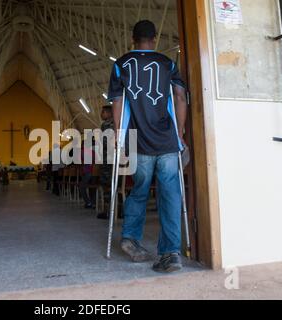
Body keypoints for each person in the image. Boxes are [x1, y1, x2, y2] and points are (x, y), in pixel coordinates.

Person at [108, 20, 188, 273]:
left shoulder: (120, 65)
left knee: (139, 190)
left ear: (133, 39)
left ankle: (130, 238)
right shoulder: (169, 64)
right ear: (154, 38)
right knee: (170, 195)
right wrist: (180, 132)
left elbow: (118, 104)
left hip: (140, 142)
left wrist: (121, 139)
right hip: (166, 141)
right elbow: (180, 97)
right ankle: (171, 253)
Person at [97, 105, 115, 220]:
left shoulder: (106, 125)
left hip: (107, 159)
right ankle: (119, 209)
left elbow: (104, 142)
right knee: (116, 184)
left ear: (108, 113)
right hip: (117, 159)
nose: (101, 114)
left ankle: (107, 211)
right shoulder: (118, 123)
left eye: (102, 112)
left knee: (106, 185)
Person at [79, 141, 96, 209]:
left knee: (81, 187)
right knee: (92, 187)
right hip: (95, 174)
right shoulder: (93, 152)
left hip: (87, 172)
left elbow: (80, 163)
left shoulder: (82, 152)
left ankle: (88, 202)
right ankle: (93, 203)